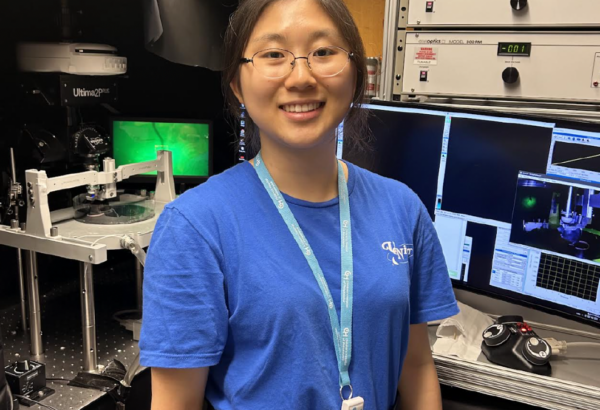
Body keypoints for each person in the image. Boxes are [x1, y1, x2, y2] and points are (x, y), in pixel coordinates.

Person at [139, 0, 459, 409]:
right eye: (273, 55)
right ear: (237, 83)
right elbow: (175, 404)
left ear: (357, 74)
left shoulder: (402, 208)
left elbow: (415, 367)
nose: (302, 77)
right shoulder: (194, 225)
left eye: (324, 52)